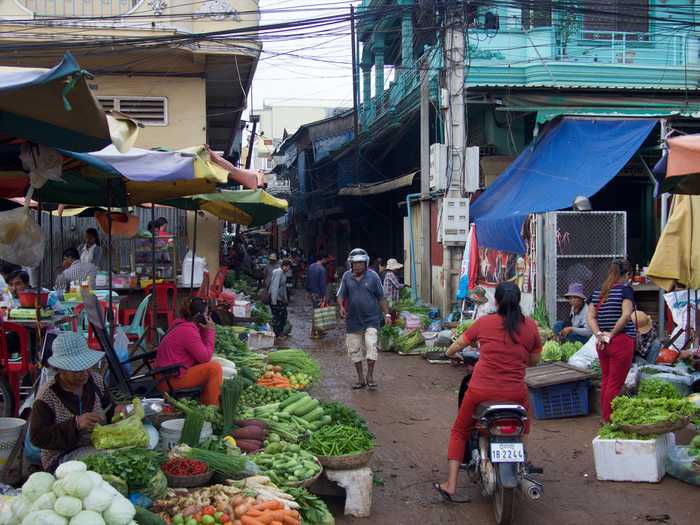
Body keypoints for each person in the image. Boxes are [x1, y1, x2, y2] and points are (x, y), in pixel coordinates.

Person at [436, 282, 541, 502]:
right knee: (524, 428)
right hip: (516, 393)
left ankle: (451, 485)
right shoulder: (531, 327)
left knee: (459, 430)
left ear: (496, 302)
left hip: (481, 391)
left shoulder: (484, 323)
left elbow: (457, 345)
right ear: (519, 301)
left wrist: (449, 352)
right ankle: (521, 464)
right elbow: (534, 361)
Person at [29, 332, 117, 472]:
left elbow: (110, 408)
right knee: (107, 462)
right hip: (61, 456)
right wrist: (75, 424)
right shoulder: (46, 397)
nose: (85, 374)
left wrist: (118, 412)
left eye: (87, 367)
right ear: (61, 369)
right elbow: (37, 437)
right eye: (77, 371)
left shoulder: (95, 381)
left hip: (99, 444)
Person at [587, 259, 636, 423]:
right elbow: (627, 314)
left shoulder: (597, 292)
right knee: (615, 383)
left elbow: (591, 317)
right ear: (627, 274)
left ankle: (604, 416)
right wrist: (611, 334)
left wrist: (599, 334)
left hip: (602, 344)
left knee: (607, 380)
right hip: (620, 342)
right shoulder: (625, 290)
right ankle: (608, 418)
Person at [337, 248, 391, 390]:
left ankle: (370, 376)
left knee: (371, 345)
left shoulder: (373, 277)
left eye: (361, 263)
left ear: (366, 263)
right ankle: (360, 378)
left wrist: (387, 314)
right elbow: (340, 294)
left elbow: (381, 297)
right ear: (351, 264)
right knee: (355, 349)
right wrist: (341, 306)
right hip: (353, 320)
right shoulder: (346, 277)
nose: (358, 266)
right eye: (355, 263)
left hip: (371, 319)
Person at [155, 297, 222, 406]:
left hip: (165, 376)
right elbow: (205, 357)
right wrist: (210, 331)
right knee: (214, 369)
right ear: (200, 317)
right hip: (169, 381)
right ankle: (211, 407)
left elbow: (200, 351)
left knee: (210, 366)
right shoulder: (188, 331)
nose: (209, 317)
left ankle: (204, 401)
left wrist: (204, 330)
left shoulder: (180, 323)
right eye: (207, 315)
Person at [307, 253, 329, 338]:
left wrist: (308, 291)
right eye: (326, 259)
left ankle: (320, 330)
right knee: (318, 313)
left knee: (317, 311)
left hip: (312, 293)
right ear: (323, 259)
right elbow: (322, 284)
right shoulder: (322, 269)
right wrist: (324, 295)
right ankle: (314, 332)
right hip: (319, 293)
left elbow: (308, 280)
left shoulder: (311, 266)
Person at [269, 259, 290, 339]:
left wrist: (285, 298)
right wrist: (274, 301)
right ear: (285, 266)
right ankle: (277, 334)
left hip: (280, 299)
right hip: (276, 299)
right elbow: (275, 287)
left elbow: (283, 287)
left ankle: (278, 333)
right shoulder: (279, 272)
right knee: (279, 316)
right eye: (288, 267)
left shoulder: (283, 273)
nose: (289, 269)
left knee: (281, 316)